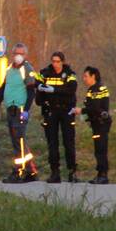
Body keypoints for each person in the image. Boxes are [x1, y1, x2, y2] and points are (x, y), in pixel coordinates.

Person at [0, 43, 39, 183]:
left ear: (25, 55)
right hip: (10, 109)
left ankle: (20, 171)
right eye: (16, 53)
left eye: (21, 53)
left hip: (20, 110)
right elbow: (3, 88)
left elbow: (31, 91)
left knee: (19, 140)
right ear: (12, 54)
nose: (18, 56)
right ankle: (30, 171)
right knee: (17, 141)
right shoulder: (9, 69)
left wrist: (27, 110)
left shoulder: (27, 69)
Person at [34, 51, 79, 183]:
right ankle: (55, 173)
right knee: (52, 143)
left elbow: (71, 89)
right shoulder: (45, 72)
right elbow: (36, 81)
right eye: (53, 61)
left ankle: (72, 172)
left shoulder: (70, 74)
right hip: (51, 111)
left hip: (66, 111)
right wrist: (40, 87)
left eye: (58, 61)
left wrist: (53, 90)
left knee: (68, 142)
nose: (55, 64)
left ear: (63, 62)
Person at [74, 66, 111, 184]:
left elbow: (95, 107)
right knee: (99, 149)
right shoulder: (94, 89)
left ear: (93, 76)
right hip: (97, 123)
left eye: (86, 76)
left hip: (100, 123)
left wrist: (81, 111)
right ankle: (100, 174)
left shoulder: (97, 89)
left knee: (100, 149)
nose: (84, 79)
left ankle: (103, 175)